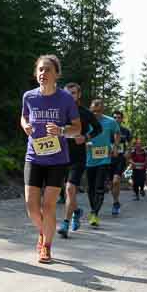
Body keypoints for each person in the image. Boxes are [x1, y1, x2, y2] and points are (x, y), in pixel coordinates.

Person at [21, 55, 81, 263]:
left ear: (57, 74)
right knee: (31, 206)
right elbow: (24, 116)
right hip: (34, 156)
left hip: (57, 160)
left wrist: (61, 130)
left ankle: (46, 246)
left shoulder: (65, 99)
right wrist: (25, 126)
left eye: (47, 70)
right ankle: (43, 230)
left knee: (48, 207)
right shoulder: (29, 96)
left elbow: (77, 128)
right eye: (40, 69)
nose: (43, 73)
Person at [58, 82, 102, 238]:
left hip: (78, 157)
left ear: (79, 95)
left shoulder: (85, 113)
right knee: (66, 190)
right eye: (67, 93)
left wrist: (85, 137)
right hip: (60, 156)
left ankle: (65, 223)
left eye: (74, 93)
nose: (70, 96)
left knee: (70, 189)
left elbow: (98, 129)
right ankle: (76, 211)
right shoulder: (59, 111)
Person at [85, 99, 120, 227]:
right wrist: (84, 143)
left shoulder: (110, 121)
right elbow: (78, 133)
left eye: (98, 111)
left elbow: (117, 133)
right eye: (94, 111)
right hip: (89, 158)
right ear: (90, 109)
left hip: (104, 158)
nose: (96, 113)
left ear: (103, 110)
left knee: (99, 186)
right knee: (90, 188)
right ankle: (93, 209)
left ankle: (94, 213)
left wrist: (115, 146)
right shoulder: (85, 121)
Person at [110, 111, 131, 215]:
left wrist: (128, 152)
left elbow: (129, 144)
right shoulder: (107, 129)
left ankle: (115, 202)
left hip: (120, 158)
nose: (116, 119)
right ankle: (115, 199)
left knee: (116, 181)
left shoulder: (126, 131)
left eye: (119, 117)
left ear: (122, 119)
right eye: (114, 117)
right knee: (111, 183)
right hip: (108, 158)